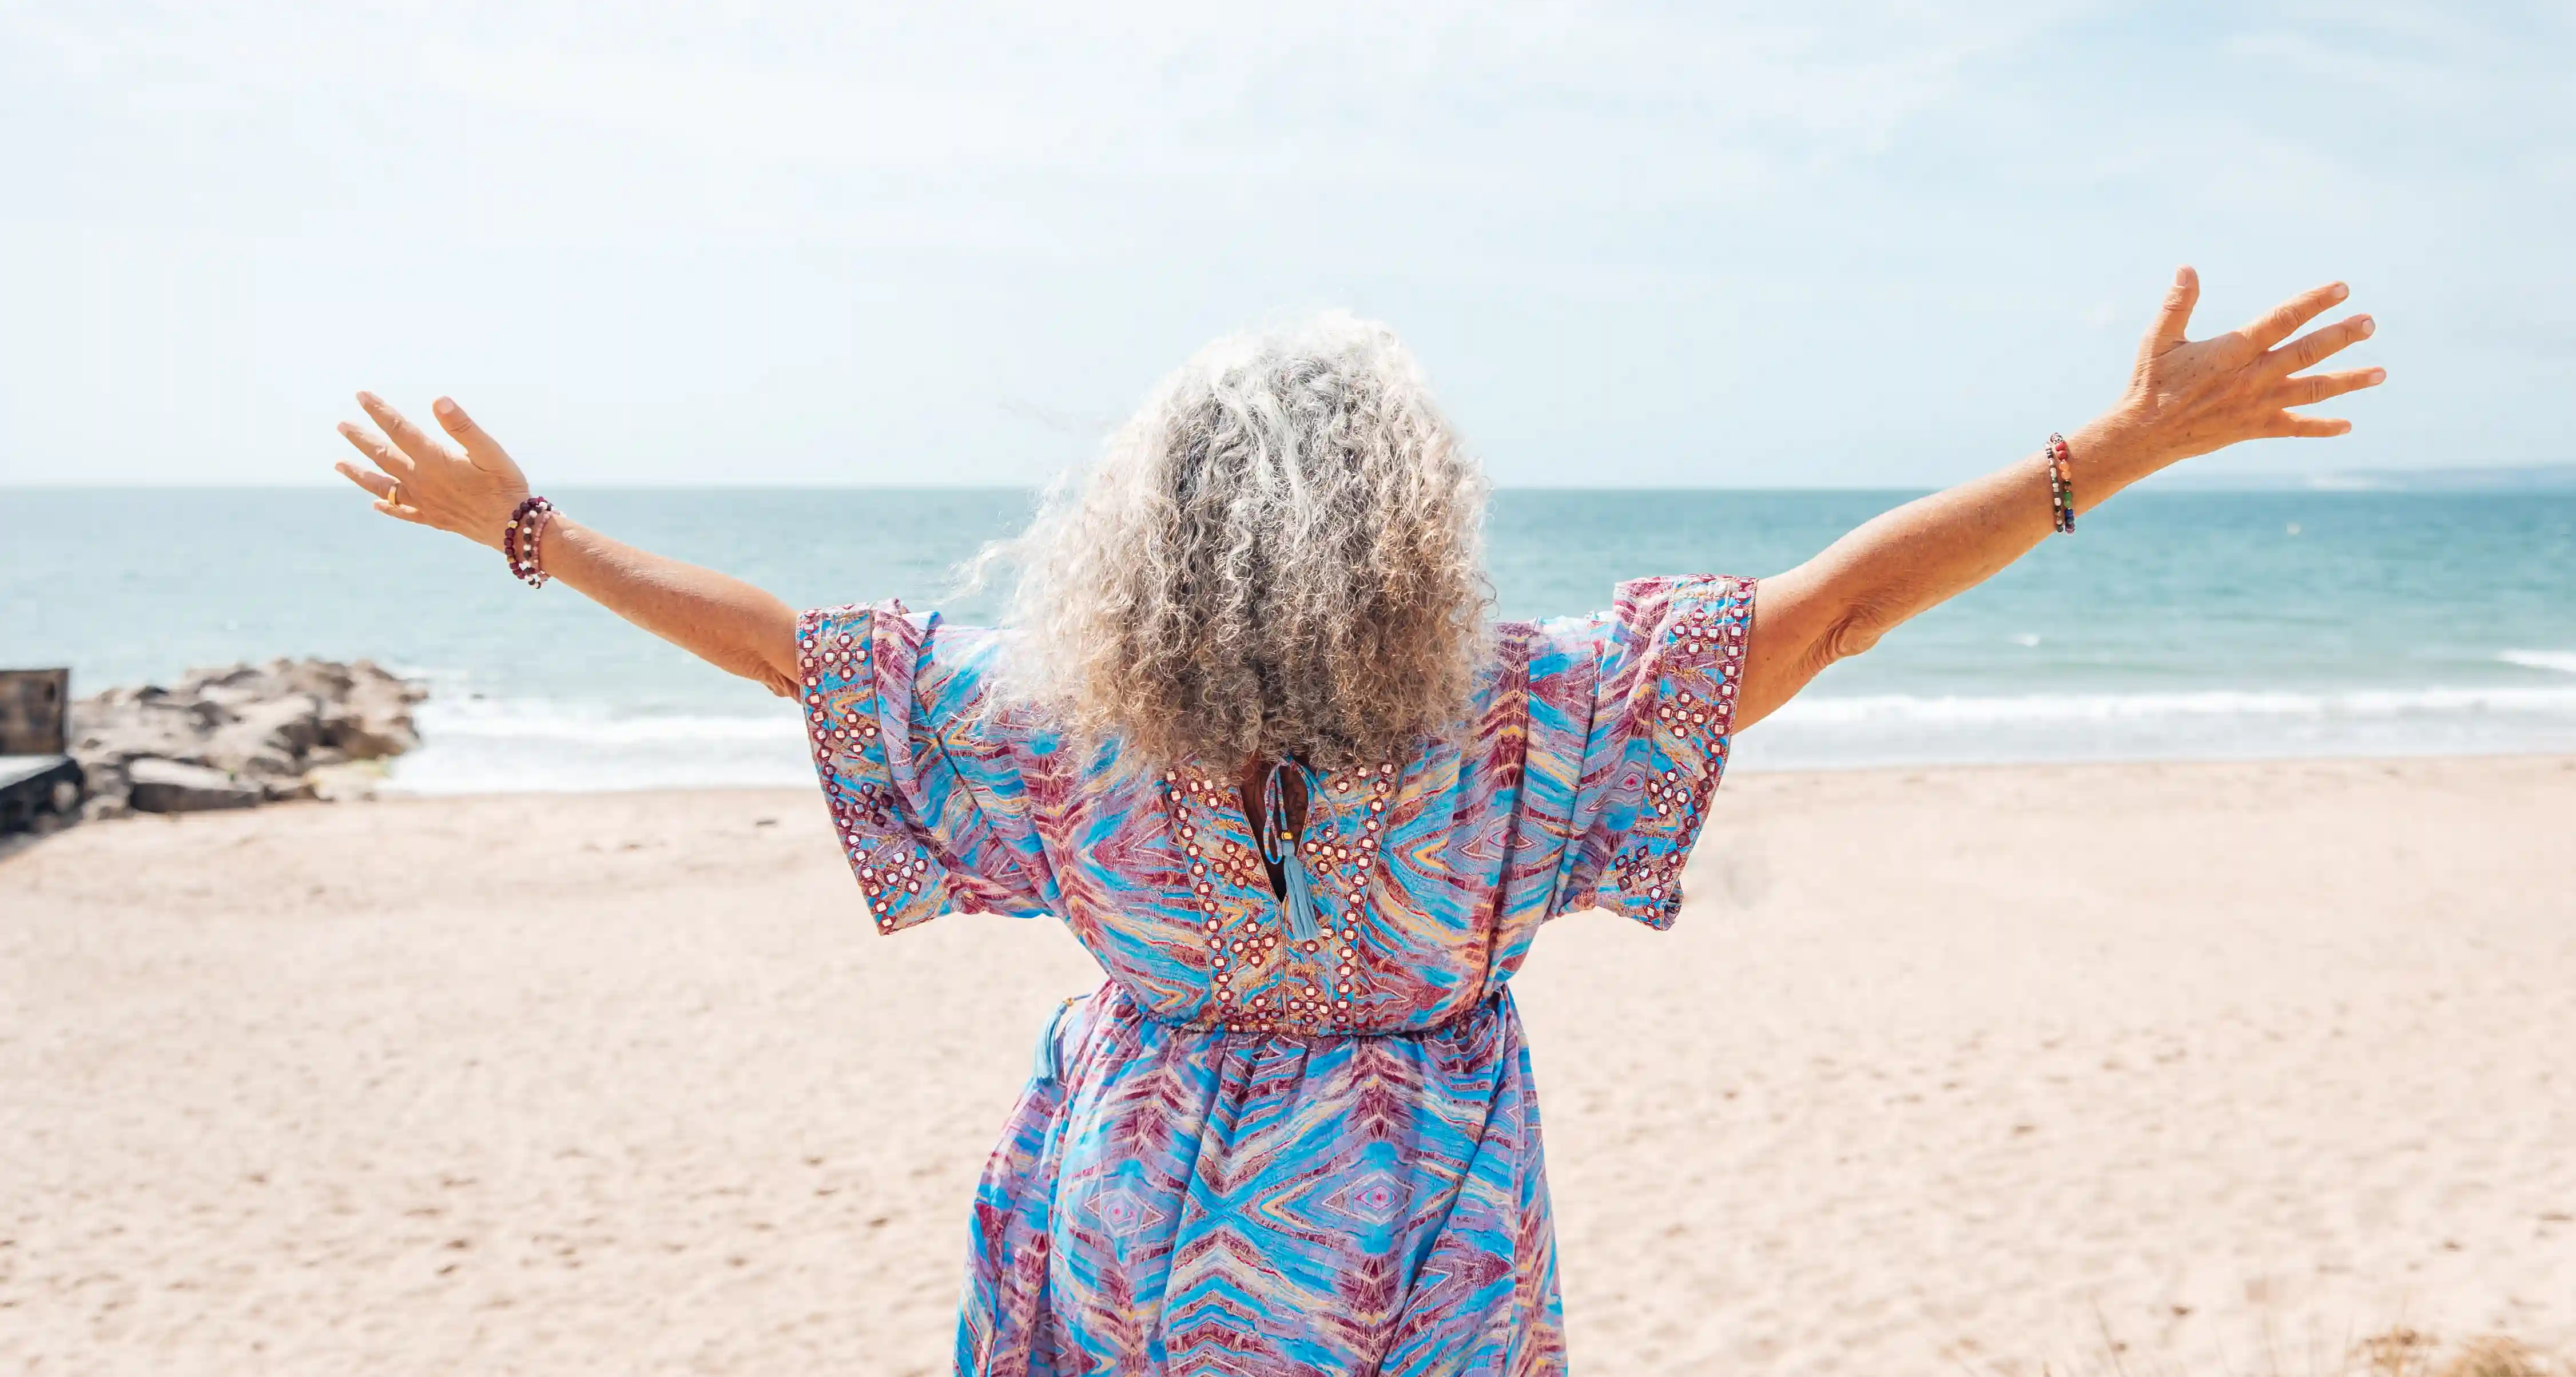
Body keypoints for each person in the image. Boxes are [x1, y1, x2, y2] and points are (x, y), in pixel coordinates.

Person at [335, 267, 2380, 1376]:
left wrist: (528, 532)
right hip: (1415, 1223)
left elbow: (793, 651)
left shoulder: (1058, 724)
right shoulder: (1523, 717)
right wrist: (2118, 448)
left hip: (1128, 1200)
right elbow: (1836, 606)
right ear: (1416, 530)